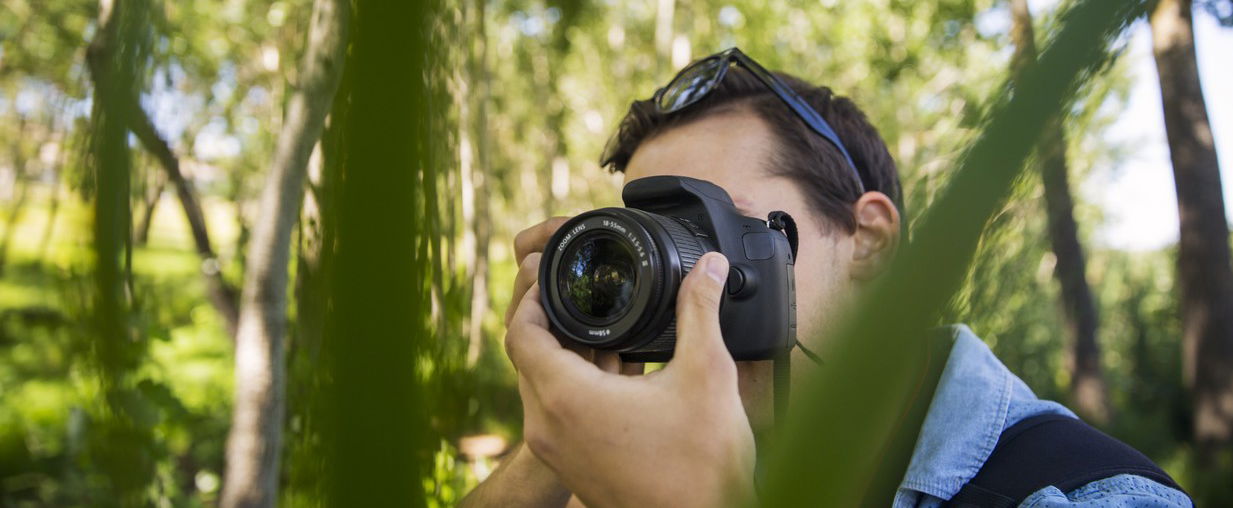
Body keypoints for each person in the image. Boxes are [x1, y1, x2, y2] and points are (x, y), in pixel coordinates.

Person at [461, 48, 1192, 507]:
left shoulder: (1084, 492)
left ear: (868, 240)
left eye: (715, 229)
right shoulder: (630, 469)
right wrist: (545, 453)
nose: (681, 281)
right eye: (650, 243)